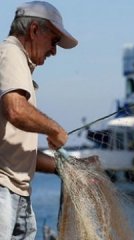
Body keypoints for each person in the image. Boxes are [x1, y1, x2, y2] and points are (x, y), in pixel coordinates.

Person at [0, 1, 77, 239]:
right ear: (34, 30)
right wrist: (54, 130)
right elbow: (16, 110)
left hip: (18, 196)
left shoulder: (21, 67)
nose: (54, 51)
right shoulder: (10, 52)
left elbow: (18, 153)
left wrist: (62, 167)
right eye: (53, 41)